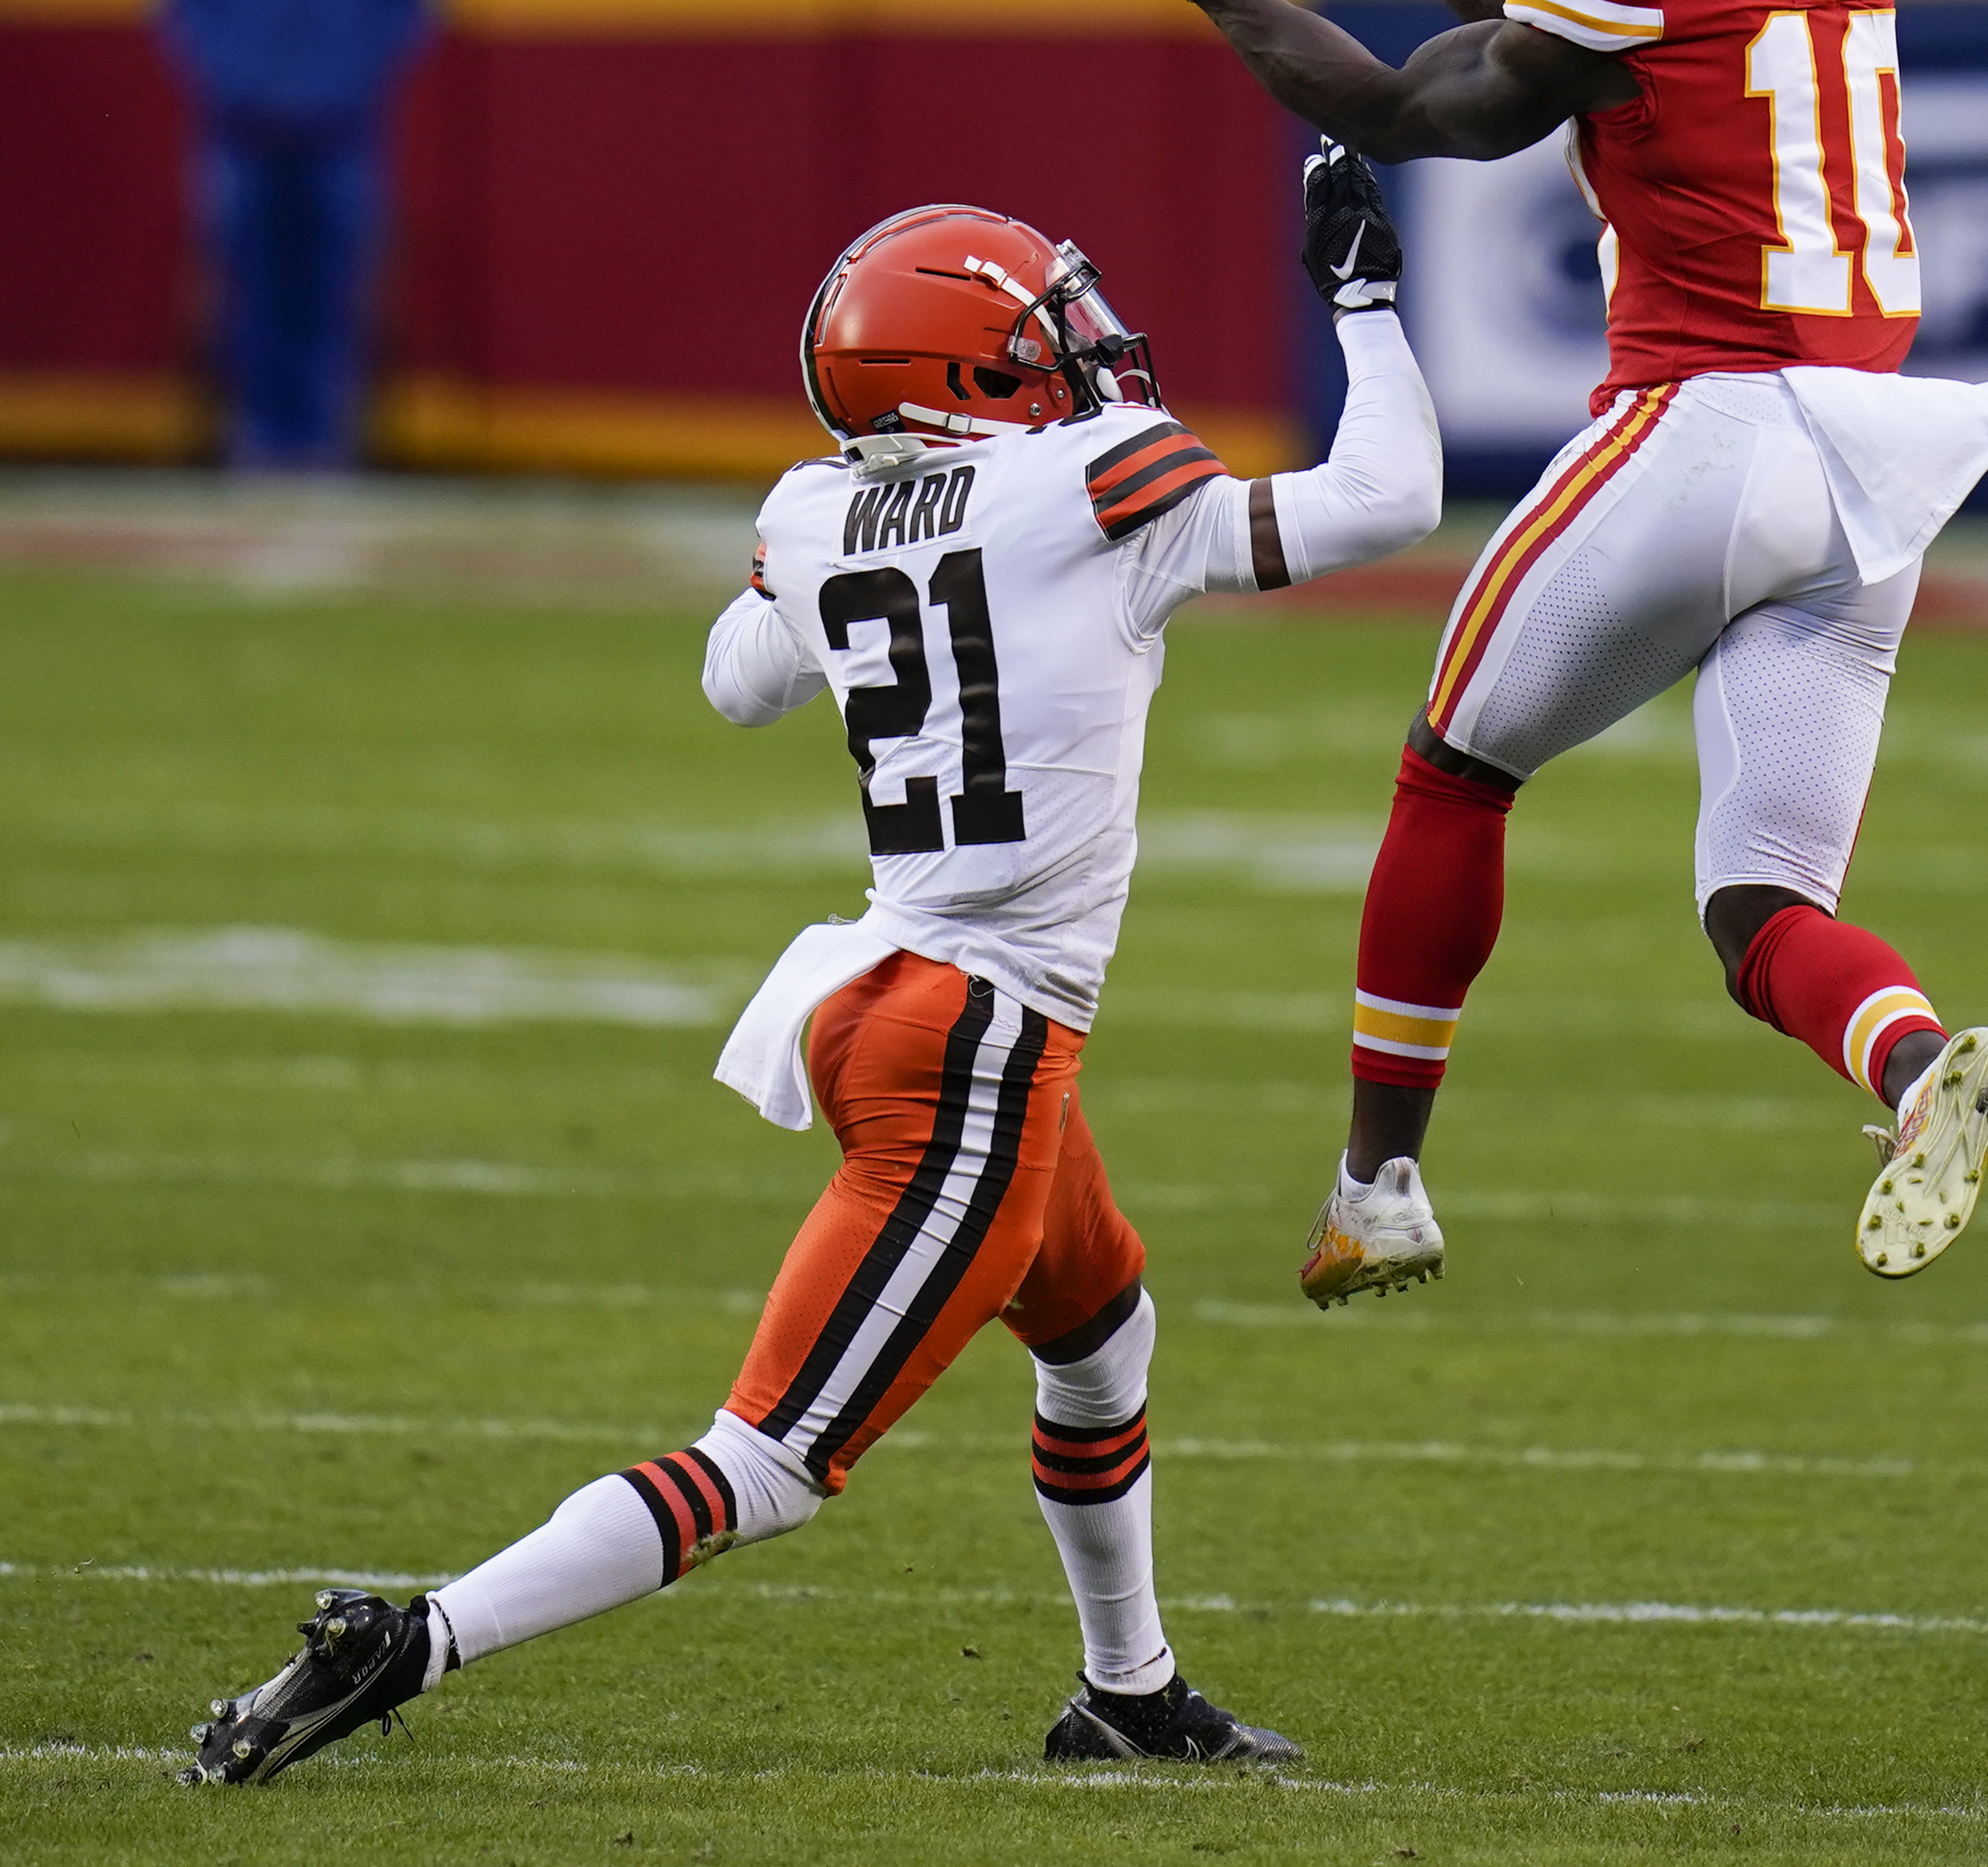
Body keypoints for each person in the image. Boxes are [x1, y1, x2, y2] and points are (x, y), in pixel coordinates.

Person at [178, 168, 1443, 1786]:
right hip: (972, 1045)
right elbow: (1392, 496)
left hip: (894, 998)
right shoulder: (1100, 484)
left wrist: (838, 558)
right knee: (767, 1462)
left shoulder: (814, 509)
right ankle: (411, 1639)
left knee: (1101, 1329)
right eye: (1046, 335)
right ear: (971, 373)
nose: (1087, 355)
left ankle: (1129, 1692)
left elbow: (735, 681)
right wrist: (1362, 304)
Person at [1030, 0, 1988, 1303]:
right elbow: (1546, 10)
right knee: (1764, 904)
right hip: (1874, 464)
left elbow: (1412, 107)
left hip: (1707, 429)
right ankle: (1910, 1059)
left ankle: (1380, 1186)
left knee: (1455, 773)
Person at [156, 0, 432, 474]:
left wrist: (349, 75)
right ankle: (258, 435)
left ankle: (323, 439)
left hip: (337, 130)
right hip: (243, 128)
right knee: (249, 288)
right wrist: (231, 74)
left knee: (331, 289)